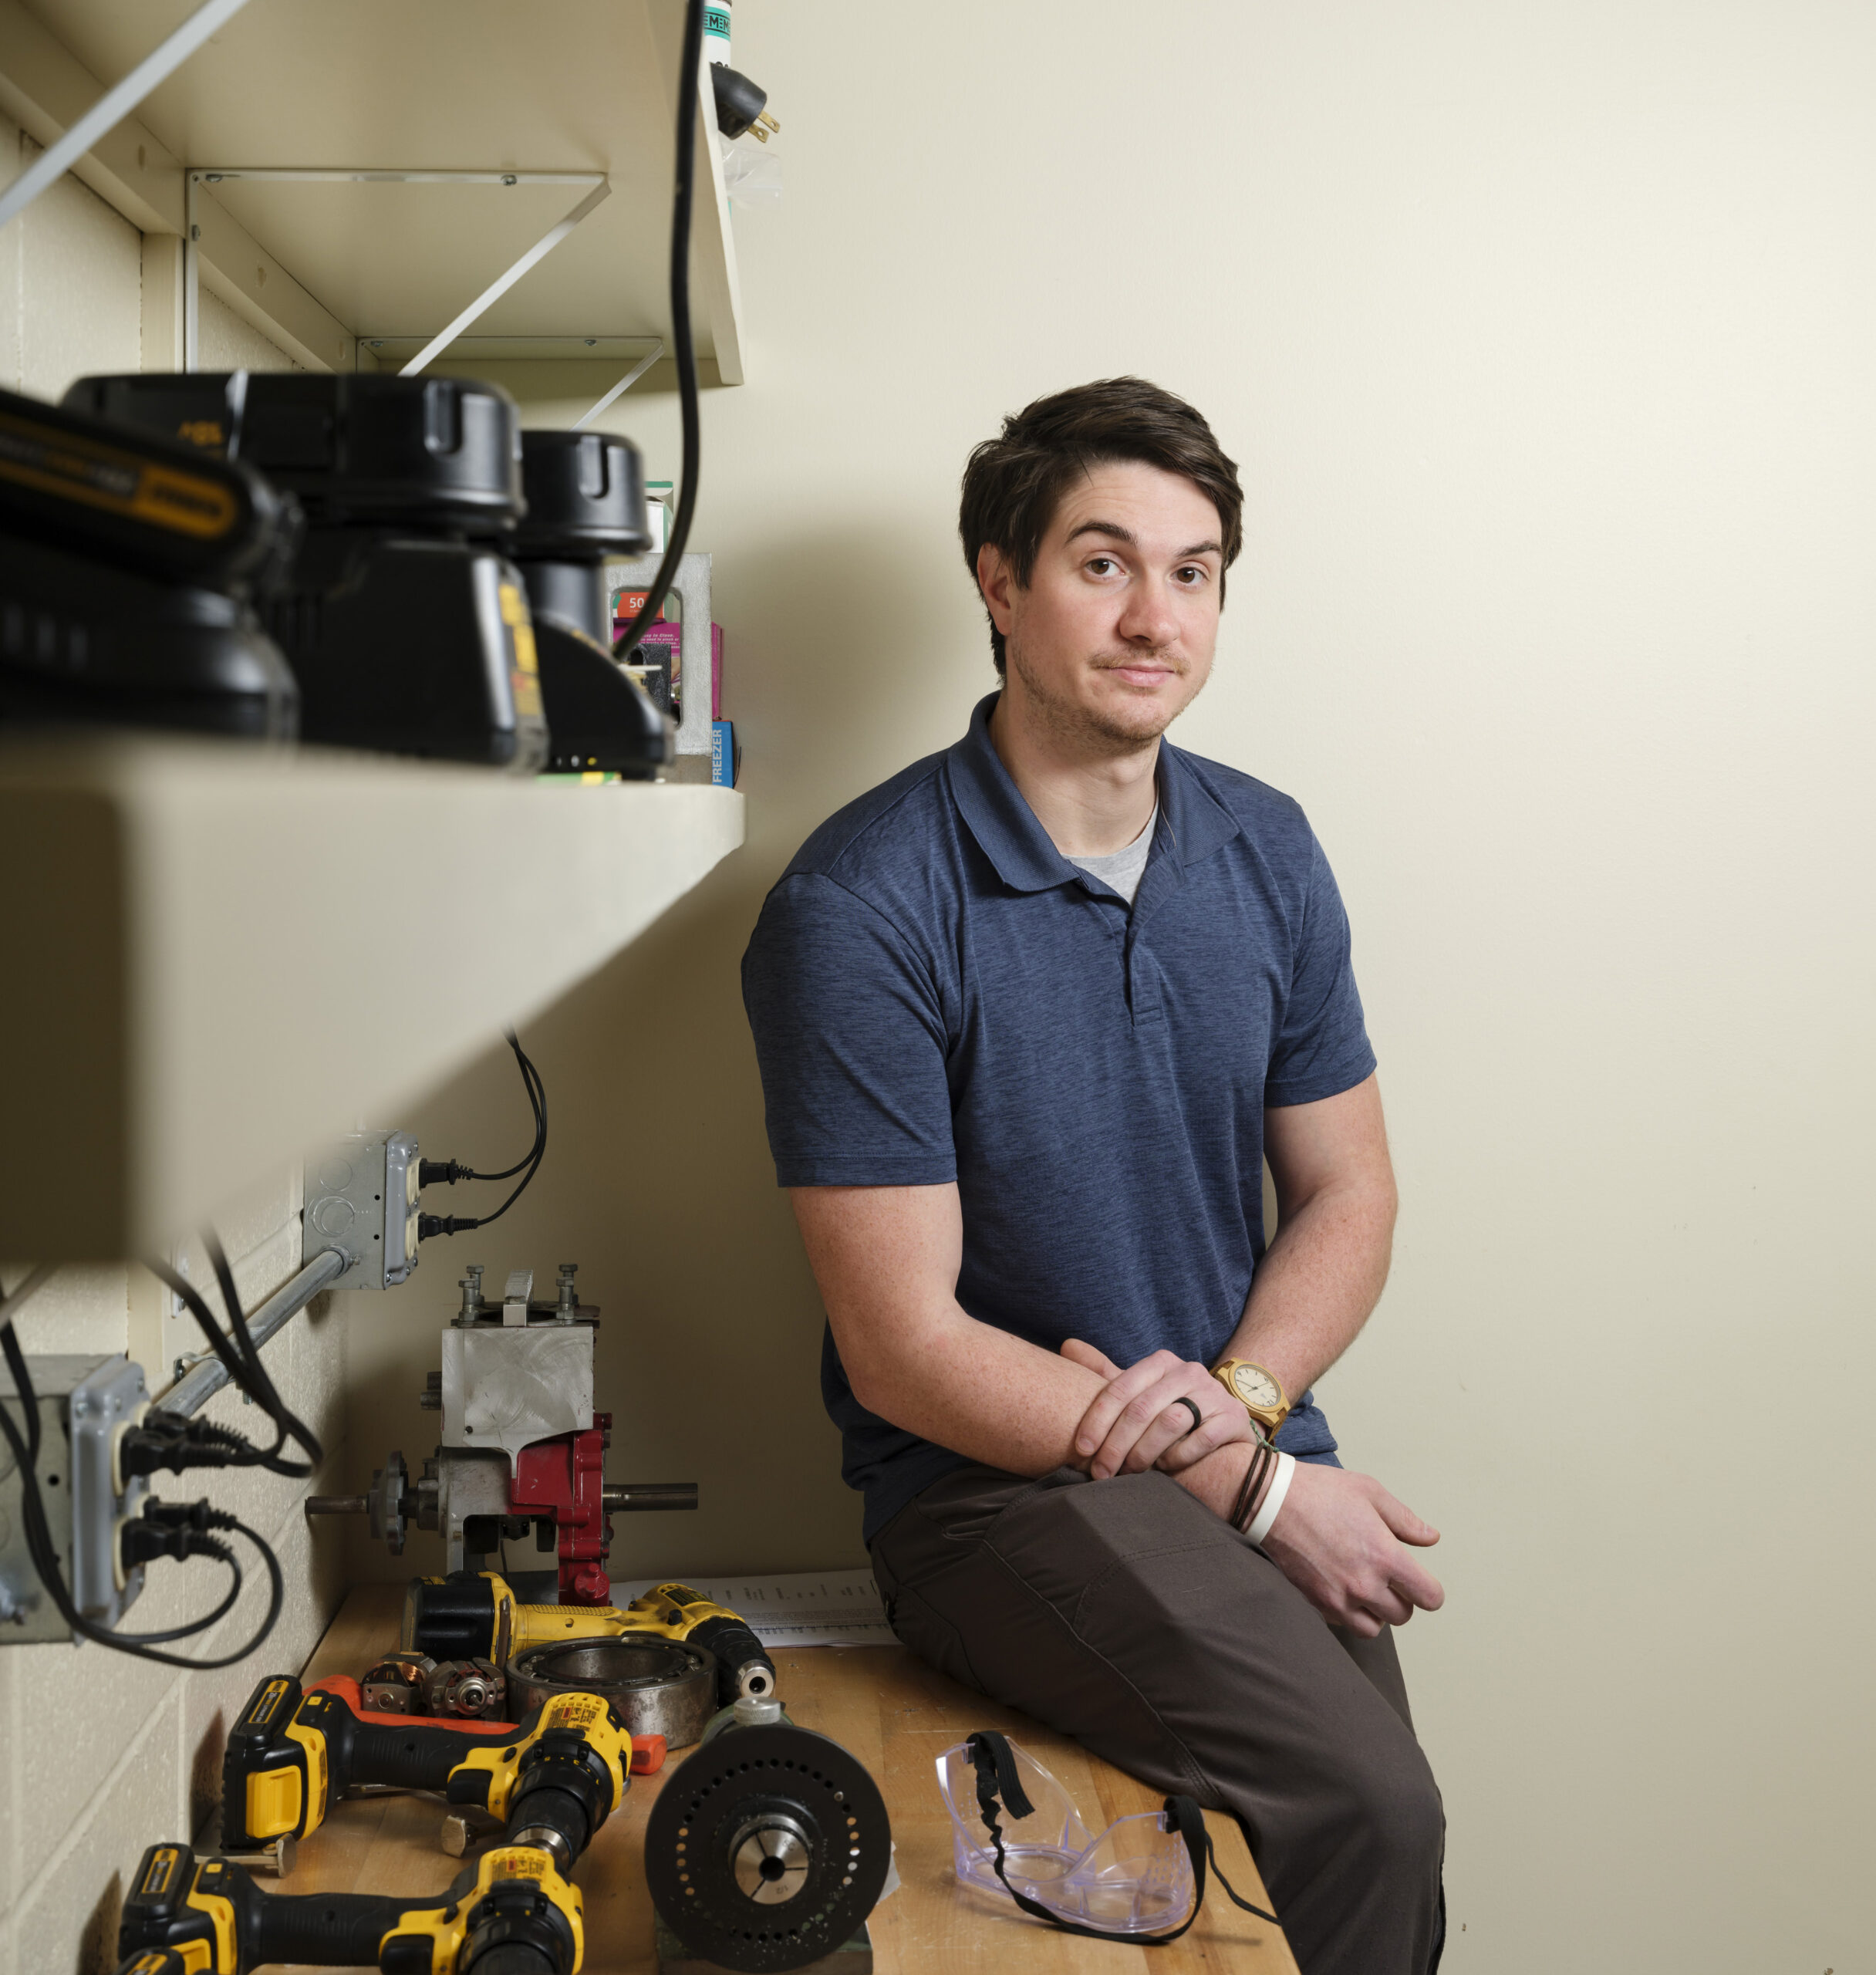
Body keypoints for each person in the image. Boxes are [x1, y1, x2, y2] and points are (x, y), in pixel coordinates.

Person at [741, 377, 1446, 1975]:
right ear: (998, 583)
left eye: (1193, 571)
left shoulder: (1266, 847)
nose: (1155, 615)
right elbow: (904, 1346)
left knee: (1366, 1821)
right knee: (1370, 1811)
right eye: (1103, 562)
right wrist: (1250, 1481)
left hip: (1234, 1433)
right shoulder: (859, 906)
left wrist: (1238, 1410)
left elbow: (1350, 1194)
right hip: (991, 1494)